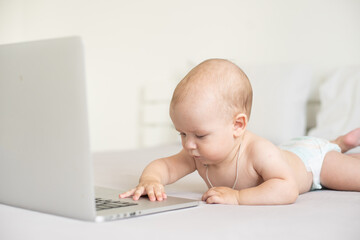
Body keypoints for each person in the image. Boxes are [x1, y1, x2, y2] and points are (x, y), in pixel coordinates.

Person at [120, 59, 360, 205]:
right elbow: (165, 166)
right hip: (289, 151)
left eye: (199, 135)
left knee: (349, 175)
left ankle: (334, 147)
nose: (188, 145)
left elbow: (287, 188)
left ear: (238, 125)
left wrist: (238, 198)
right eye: (182, 134)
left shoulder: (259, 151)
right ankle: (340, 143)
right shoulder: (198, 154)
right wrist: (151, 180)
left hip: (312, 162)